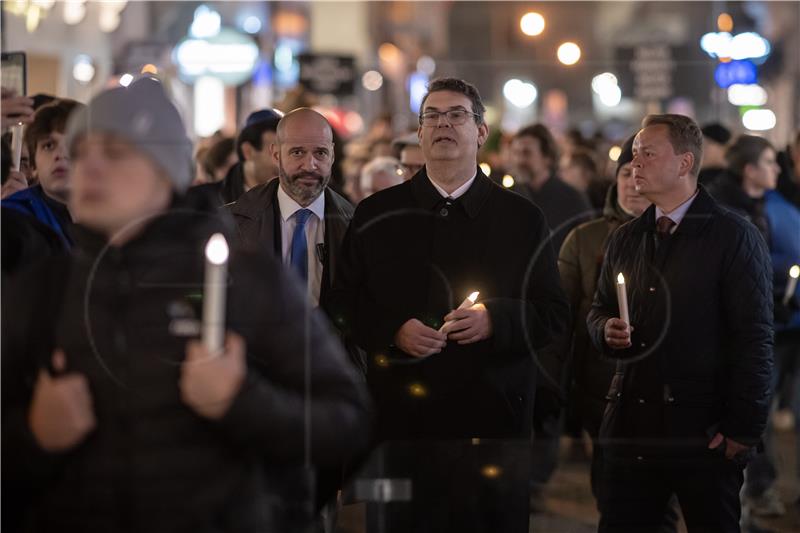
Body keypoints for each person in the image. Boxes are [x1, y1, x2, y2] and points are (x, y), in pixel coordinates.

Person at [1, 77, 369, 533]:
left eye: (114, 153)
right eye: (81, 154)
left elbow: (347, 420)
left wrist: (242, 400)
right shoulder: (45, 290)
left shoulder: (248, 281)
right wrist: (35, 435)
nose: (88, 169)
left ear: (166, 170)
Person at [329, 77, 569, 533]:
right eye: (432, 116)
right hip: (401, 427)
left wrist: (495, 319)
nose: (444, 124)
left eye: (457, 114)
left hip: (492, 427)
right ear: (419, 134)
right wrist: (392, 329)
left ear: (481, 132)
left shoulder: (521, 218)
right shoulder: (377, 213)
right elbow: (341, 303)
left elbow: (554, 314)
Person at [586, 114, 774, 532]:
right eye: (633, 154)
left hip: (703, 429)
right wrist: (605, 330)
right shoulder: (627, 237)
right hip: (633, 426)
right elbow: (598, 308)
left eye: (647, 153)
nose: (635, 163)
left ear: (685, 163)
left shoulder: (733, 236)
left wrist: (742, 430)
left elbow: (754, 339)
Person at [2, 99, 84, 274]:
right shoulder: (15, 219)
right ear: (33, 165)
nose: (60, 155)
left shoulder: (119, 215)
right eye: (48, 146)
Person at [189, 108, 283, 205]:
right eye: (274, 152)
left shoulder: (292, 199)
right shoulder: (204, 203)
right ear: (248, 151)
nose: (282, 163)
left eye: (292, 152)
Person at [698, 122, 732, 188]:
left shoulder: (732, 181)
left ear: (723, 148)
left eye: (705, 145)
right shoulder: (698, 176)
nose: (699, 150)